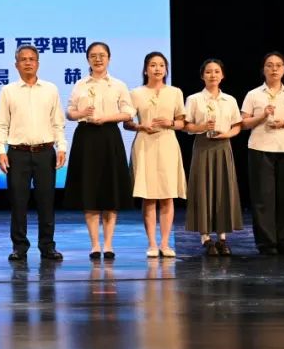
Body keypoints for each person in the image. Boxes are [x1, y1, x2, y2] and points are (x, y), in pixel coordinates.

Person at [0, 45, 67, 262]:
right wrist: (1, 151)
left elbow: (58, 122)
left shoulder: (50, 89)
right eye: (23, 59)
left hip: (45, 152)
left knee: (46, 202)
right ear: (16, 64)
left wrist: (61, 147)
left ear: (38, 63)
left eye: (32, 59)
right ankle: (19, 247)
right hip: (18, 153)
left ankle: (47, 246)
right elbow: (1, 124)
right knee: (18, 203)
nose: (28, 62)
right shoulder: (8, 91)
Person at [64, 42, 135, 260]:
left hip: (109, 136)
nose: (98, 59)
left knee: (110, 189)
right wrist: (81, 113)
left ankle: (109, 244)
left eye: (102, 55)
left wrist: (106, 118)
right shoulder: (80, 84)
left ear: (109, 58)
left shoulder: (118, 85)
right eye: (93, 56)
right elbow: (69, 112)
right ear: (87, 59)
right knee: (90, 190)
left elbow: (129, 112)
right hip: (86, 137)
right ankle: (95, 244)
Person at [240, 51, 284, 255]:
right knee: (263, 198)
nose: (274, 69)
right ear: (263, 69)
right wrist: (262, 116)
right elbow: (243, 123)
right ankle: (266, 243)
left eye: (278, 65)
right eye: (269, 65)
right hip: (260, 149)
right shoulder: (253, 94)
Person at [125, 51, 186, 258]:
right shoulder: (136, 93)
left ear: (166, 69)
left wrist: (171, 122)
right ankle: (151, 243)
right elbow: (127, 123)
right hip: (145, 143)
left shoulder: (175, 92)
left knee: (167, 195)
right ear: (145, 70)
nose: (157, 69)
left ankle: (165, 243)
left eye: (161, 65)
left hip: (167, 142)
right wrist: (140, 126)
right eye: (152, 65)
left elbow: (182, 122)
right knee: (149, 196)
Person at [183, 58, 243, 256]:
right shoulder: (194, 99)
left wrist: (227, 134)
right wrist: (201, 127)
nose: (213, 75)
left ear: (222, 75)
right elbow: (186, 126)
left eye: (217, 71)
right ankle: (206, 237)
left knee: (223, 188)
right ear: (202, 76)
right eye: (208, 72)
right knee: (203, 189)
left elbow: (237, 125)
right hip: (203, 145)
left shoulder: (230, 100)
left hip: (223, 146)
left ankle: (222, 238)